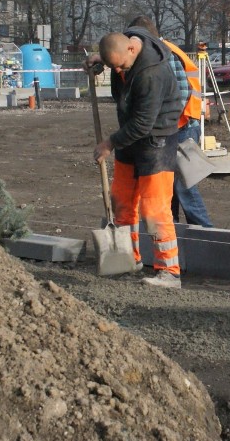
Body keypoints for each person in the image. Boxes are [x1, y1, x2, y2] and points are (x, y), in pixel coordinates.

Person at [86, 29, 184, 288]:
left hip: (156, 139)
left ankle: (169, 270)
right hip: (130, 136)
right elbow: (116, 51)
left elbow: (143, 123)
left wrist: (110, 143)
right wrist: (102, 60)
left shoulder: (152, 73)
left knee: (154, 209)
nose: (121, 72)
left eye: (122, 67)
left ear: (132, 50)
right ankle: (129, 258)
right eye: (115, 69)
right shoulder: (127, 45)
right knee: (122, 200)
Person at [127, 17, 213, 227]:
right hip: (181, 122)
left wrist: (164, 126)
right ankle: (170, 227)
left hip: (181, 124)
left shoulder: (163, 53)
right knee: (168, 184)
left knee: (184, 185)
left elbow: (181, 93)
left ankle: (206, 231)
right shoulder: (162, 50)